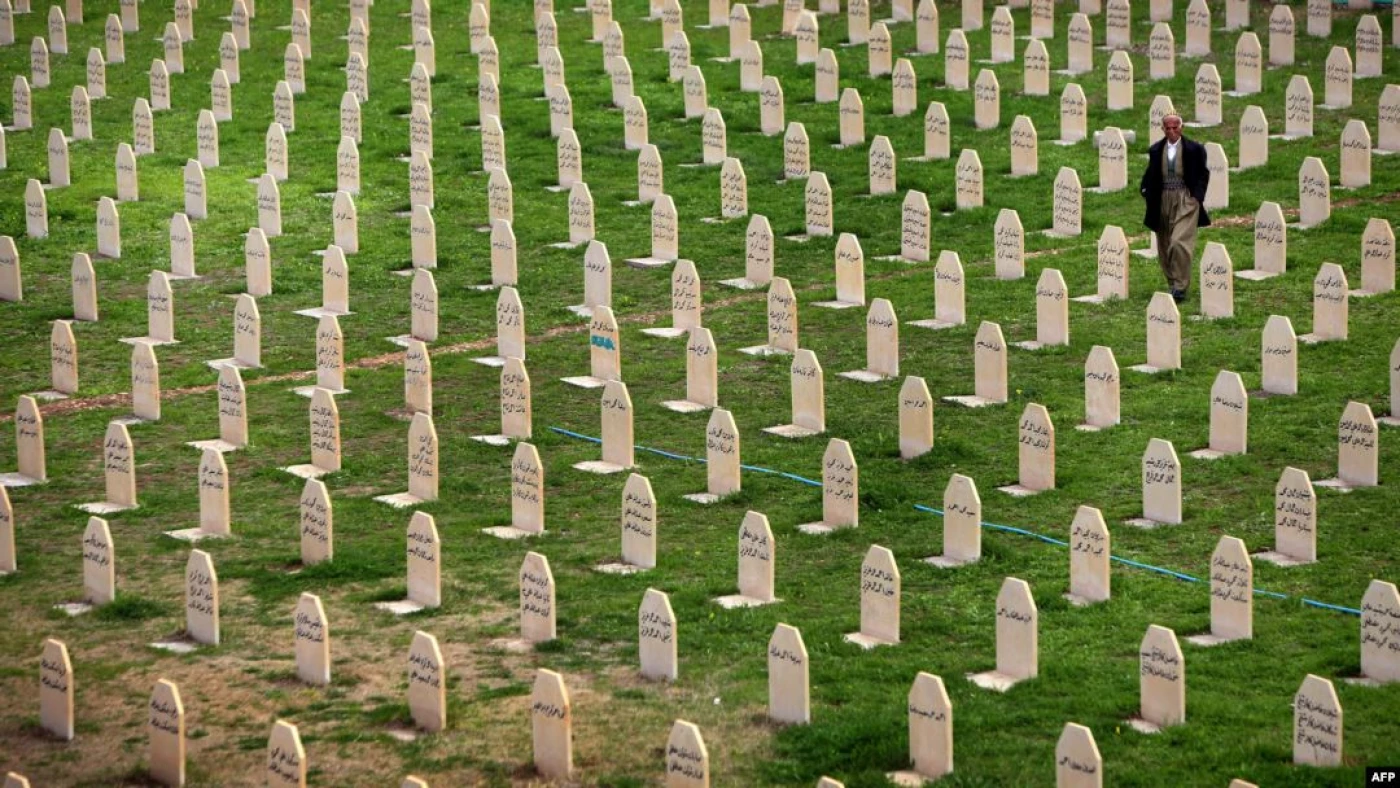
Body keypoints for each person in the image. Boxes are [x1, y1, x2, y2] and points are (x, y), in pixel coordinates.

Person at [1139, 114, 1210, 303]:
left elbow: (1203, 174)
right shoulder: (1156, 150)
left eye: (1175, 127)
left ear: (1181, 127)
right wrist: (1145, 189)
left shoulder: (1194, 149)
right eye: (1167, 128)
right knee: (1164, 243)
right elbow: (1151, 173)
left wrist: (1196, 197)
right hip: (1162, 198)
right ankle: (1172, 282)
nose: (1171, 131)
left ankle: (1180, 286)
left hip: (1185, 198)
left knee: (1178, 242)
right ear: (1162, 129)